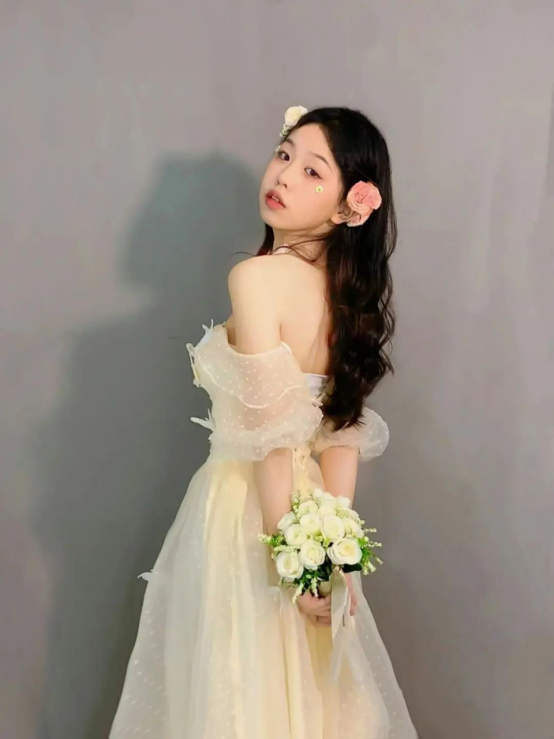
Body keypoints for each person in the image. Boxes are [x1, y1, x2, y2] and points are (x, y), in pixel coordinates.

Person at [109, 105, 419, 738]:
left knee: (237, 692)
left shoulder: (255, 278)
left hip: (246, 513)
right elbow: (340, 437)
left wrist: (290, 559)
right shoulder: (347, 300)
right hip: (308, 512)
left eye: (313, 171)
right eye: (284, 154)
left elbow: (270, 436)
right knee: (306, 696)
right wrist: (332, 552)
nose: (283, 175)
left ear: (348, 207)